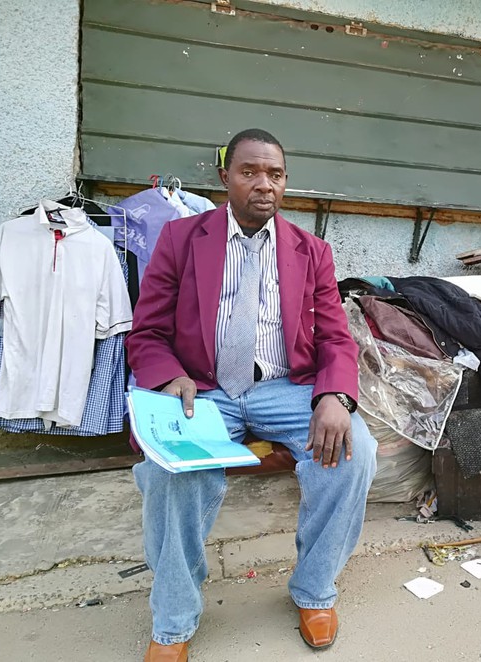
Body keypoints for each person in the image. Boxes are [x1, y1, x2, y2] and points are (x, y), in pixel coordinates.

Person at [126, 128, 377, 662]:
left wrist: (335, 396)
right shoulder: (180, 239)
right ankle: (172, 622)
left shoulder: (311, 251)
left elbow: (336, 337)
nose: (264, 184)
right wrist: (169, 377)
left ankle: (315, 591)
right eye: (250, 172)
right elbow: (145, 333)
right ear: (225, 178)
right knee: (170, 469)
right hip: (204, 388)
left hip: (283, 387)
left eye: (276, 174)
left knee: (355, 447)